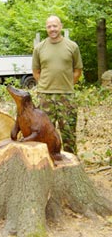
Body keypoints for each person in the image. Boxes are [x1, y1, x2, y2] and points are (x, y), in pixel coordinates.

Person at [32, 15, 83, 154]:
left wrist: (67, 85)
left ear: (60, 26)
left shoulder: (72, 46)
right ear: (46, 28)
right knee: (45, 132)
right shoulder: (39, 48)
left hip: (66, 96)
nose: (52, 29)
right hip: (45, 97)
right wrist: (44, 85)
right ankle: (48, 163)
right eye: (49, 26)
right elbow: (36, 71)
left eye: (55, 26)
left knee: (68, 133)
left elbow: (78, 70)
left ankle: (71, 165)